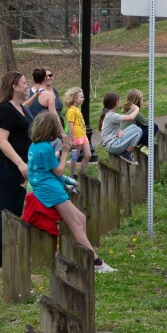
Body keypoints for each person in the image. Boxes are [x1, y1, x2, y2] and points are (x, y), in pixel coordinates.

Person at [28, 112, 115, 273]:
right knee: (75, 223)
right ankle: (96, 262)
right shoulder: (45, 148)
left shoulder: (34, 146)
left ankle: (82, 253)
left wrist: (67, 179)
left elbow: (47, 171)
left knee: (81, 218)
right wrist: (65, 150)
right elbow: (59, 171)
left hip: (47, 186)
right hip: (50, 190)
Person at [0, 70, 34, 258]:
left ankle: (12, 250)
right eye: (24, 83)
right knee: (7, 211)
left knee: (16, 209)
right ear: (14, 87)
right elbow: (2, 141)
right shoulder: (4, 109)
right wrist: (20, 163)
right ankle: (1, 256)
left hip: (20, 167)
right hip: (7, 167)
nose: (27, 85)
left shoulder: (22, 108)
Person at [24, 67, 65, 153]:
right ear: (44, 78)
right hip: (46, 132)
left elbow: (22, 107)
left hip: (31, 131)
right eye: (47, 76)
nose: (49, 77)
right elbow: (54, 115)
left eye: (50, 75)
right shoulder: (48, 95)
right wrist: (62, 133)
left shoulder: (26, 92)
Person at [98, 91, 142, 165]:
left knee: (133, 127)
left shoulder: (108, 114)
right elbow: (130, 118)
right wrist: (137, 109)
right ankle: (127, 153)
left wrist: (118, 130)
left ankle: (125, 152)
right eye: (118, 101)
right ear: (115, 103)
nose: (120, 102)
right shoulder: (112, 115)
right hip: (113, 146)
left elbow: (108, 127)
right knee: (138, 131)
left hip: (111, 143)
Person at [64, 87, 91, 176]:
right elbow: (71, 125)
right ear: (75, 99)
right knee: (75, 156)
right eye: (81, 97)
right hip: (77, 137)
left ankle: (81, 173)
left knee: (88, 155)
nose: (83, 99)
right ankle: (72, 175)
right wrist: (72, 139)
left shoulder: (77, 109)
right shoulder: (71, 110)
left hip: (83, 135)